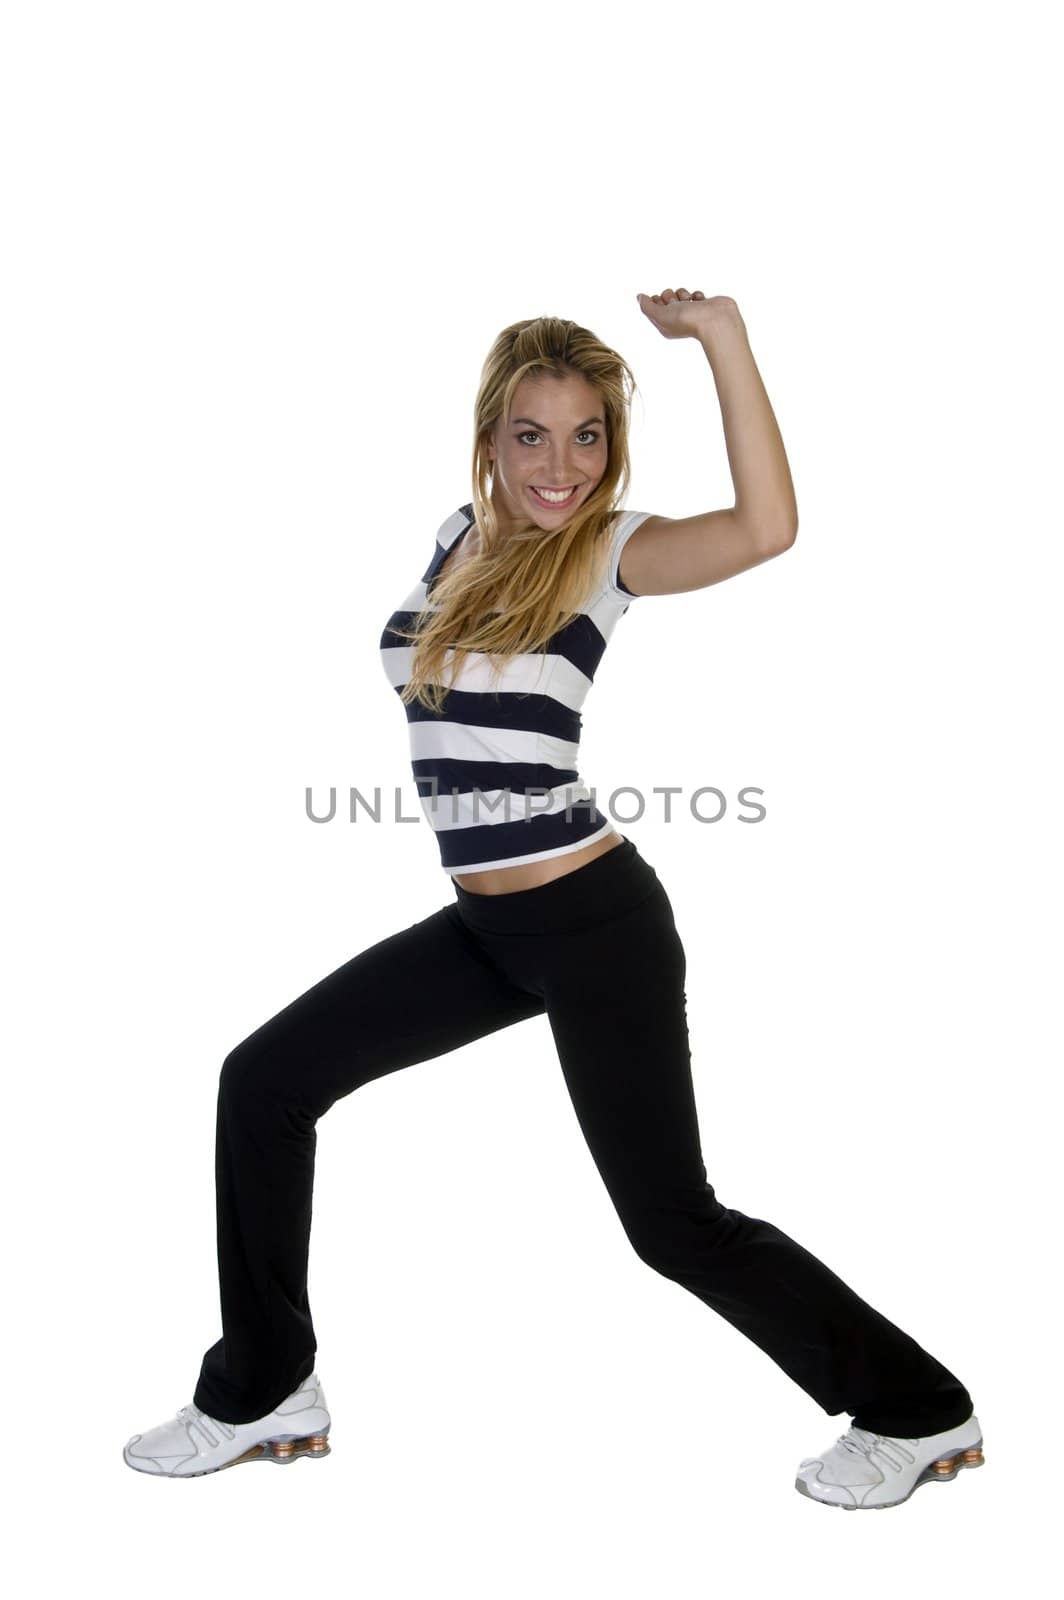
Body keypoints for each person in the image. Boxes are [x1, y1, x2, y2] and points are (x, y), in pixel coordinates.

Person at [123, 288, 984, 1508]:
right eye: (534, 434)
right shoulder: (453, 540)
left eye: (587, 436)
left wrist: (724, 342)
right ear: (489, 440)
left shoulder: (606, 550)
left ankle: (919, 1410)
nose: (562, 463)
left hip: (592, 926)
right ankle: (263, 1386)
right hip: (485, 927)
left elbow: (764, 528)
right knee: (263, 1080)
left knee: (671, 1223)